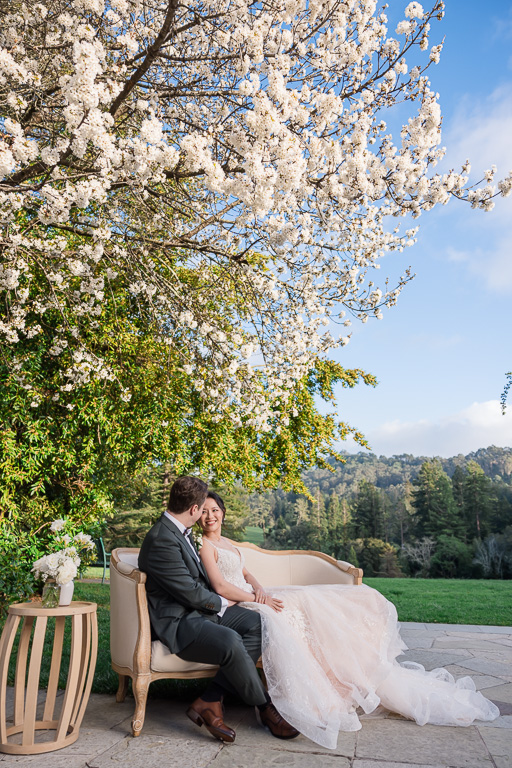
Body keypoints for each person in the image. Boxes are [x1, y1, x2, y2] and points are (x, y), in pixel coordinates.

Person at [198, 491, 500, 750]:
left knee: (311, 601)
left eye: (216, 510)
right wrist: (254, 598)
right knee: (291, 608)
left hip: (254, 593)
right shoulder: (204, 546)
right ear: (198, 515)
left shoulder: (228, 543)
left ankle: (341, 670)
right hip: (238, 601)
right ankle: (308, 692)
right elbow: (220, 586)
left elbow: (247, 573)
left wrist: (260, 588)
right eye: (205, 511)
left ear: (223, 513)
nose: (211, 516)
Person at [138, 475, 299, 744]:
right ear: (193, 510)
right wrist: (227, 601)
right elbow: (190, 592)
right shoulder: (162, 540)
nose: (204, 513)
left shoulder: (179, 532)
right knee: (231, 640)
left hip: (200, 612)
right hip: (180, 623)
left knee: (260, 623)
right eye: (202, 508)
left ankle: (210, 699)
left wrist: (233, 601)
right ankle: (265, 708)